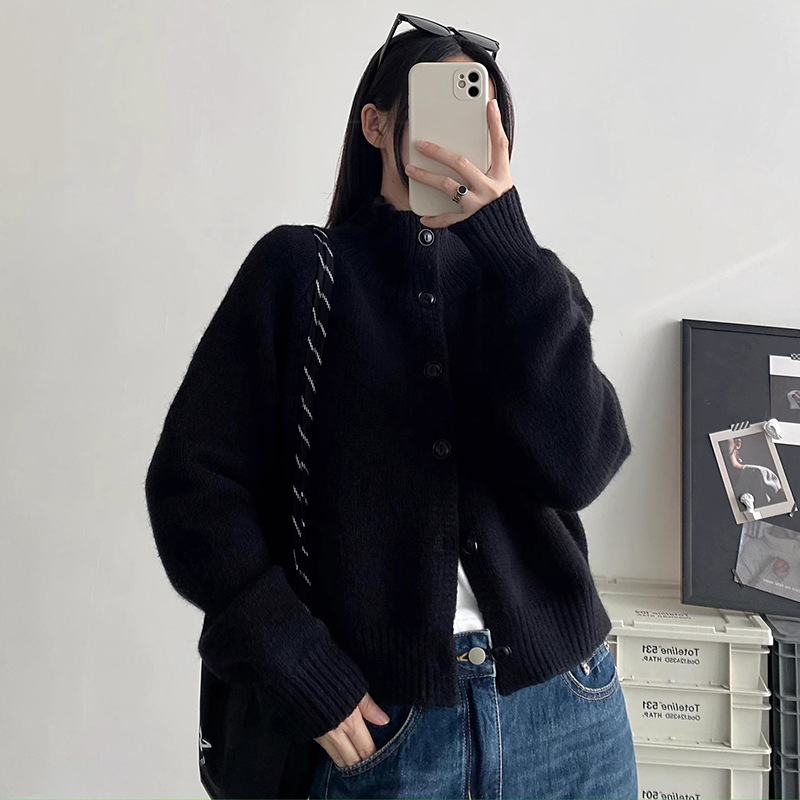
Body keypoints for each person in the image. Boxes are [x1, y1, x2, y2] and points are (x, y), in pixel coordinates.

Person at [145, 13, 637, 800]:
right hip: (384, 735)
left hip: (568, 711)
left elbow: (579, 467)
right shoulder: (298, 273)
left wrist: (512, 253)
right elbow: (194, 488)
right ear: (377, 124)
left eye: (482, 111)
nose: (464, 131)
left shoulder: (528, 287)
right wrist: (294, 659)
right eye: (443, 101)